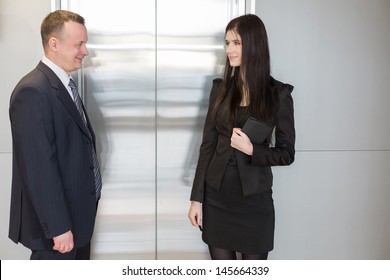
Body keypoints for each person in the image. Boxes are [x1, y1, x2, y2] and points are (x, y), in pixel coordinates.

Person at [188, 14, 295, 260]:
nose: (229, 50)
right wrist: (196, 199)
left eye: (236, 43)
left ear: (254, 45)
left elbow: (287, 153)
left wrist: (252, 150)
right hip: (216, 199)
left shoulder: (278, 95)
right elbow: (208, 146)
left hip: (254, 203)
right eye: (227, 43)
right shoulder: (220, 89)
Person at [8, 10, 102, 260]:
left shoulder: (63, 85)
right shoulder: (33, 91)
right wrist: (59, 228)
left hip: (77, 222)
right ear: (54, 44)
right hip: (57, 233)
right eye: (79, 44)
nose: (85, 51)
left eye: (85, 43)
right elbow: (39, 167)